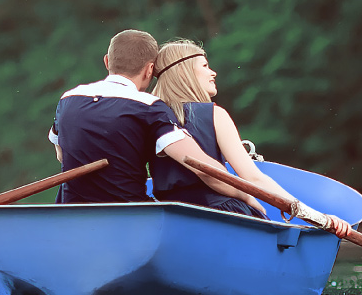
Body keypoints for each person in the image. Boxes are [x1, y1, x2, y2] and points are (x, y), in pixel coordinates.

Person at [47, 30, 349, 236]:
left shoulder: (68, 98)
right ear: (150, 69)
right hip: (136, 223)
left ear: (107, 62)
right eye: (205, 65)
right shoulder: (151, 108)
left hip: (72, 217)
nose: (213, 71)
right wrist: (252, 197)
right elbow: (203, 168)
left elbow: (64, 154)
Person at [146, 39, 349, 234]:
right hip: (223, 215)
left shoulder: (149, 118)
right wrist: (317, 217)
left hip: (169, 217)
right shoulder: (215, 114)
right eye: (206, 65)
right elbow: (252, 177)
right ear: (186, 72)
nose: (213, 72)